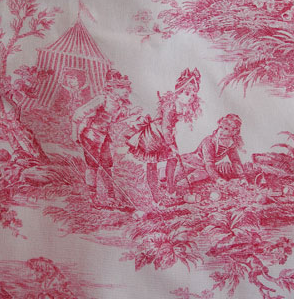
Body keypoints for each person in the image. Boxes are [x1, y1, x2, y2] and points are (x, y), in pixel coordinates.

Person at [128, 68, 201, 205]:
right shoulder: (170, 106)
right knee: (152, 164)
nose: (190, 97)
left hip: (166, 135)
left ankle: (171, 190)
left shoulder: (182, 106)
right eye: (187, 93)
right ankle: (156, 197)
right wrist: (171, 144)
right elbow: (166, 126)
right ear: (178, 92)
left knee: (173, 159)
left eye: (193, 95)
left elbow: (171, 127)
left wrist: (172, 140)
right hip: (154, 136)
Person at [71, 69, 133, 207]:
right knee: (92, 166)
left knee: (107, 166)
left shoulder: (118, 103)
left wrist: (130, 114)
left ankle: (111, 198)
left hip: (104, 138)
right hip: (91, 136)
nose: (126, 91)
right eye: (122, 87)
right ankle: (93, 199)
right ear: (112, 88)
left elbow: (112, 120)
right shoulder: (102, 99)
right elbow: (78, 114)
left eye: (127, 88)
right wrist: (74, 134)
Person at [180, 113, 244, 186]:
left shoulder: (231, 145)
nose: (221, 130)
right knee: (178, 176)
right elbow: (209, 163)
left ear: (234, 131)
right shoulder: (209, 141)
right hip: (189, 162)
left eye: (226, 128)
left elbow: (235, 161)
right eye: (220, 127)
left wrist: (242, 177)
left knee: (203, 174)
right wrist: (217, 179)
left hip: (203, 168)